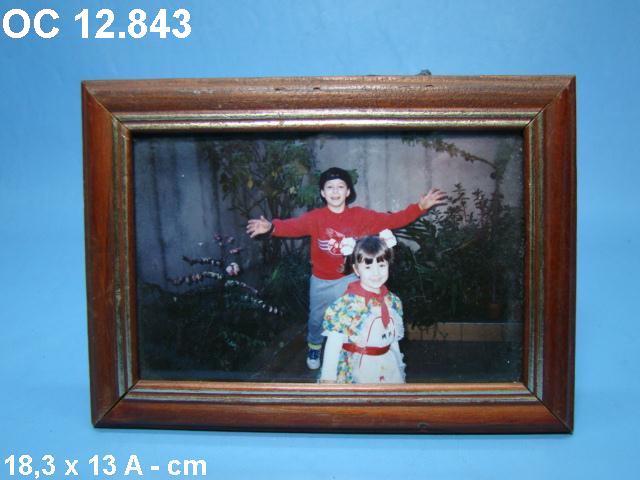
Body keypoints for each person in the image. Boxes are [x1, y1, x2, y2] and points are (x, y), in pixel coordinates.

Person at [246, 167, 446, 369]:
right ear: (323, 192)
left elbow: (392, 220)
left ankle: (351, 349)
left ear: (348, 191)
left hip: (350, 278)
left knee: (355, 315)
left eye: (340, 187)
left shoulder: (360, 216)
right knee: (316, 319)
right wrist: (272, 228)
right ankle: (314, 346)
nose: (335, 191)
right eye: (330, 187)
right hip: (321, 280)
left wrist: (419, 207)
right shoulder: (316, 218)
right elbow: (293, 226)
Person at [319, 233, 404, 384]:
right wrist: (328, 379)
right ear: (357, 270)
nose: (376, 273)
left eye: (382, 265)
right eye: (368, 267)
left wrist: (399, 365)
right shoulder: (346, 305)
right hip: (357, 368)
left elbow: (393, 340)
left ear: (388, 265)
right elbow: (333, 345)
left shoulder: (393, 301)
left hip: (388, 366)